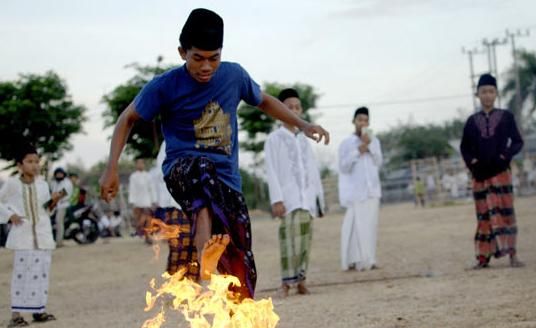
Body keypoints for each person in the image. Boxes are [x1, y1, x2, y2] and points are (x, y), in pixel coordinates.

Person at [98, 8, 329, 300]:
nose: (206, 67)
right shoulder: (165, 86)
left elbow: (265, 101)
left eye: (213, 58)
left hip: (227, 181)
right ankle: (204, 252)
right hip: (182, 171)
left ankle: (240, 320)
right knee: (202, 172)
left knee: (241, 260)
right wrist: (112, 168)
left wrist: (303, 124)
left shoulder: (233, 75)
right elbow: (127, 118)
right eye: (198, 59)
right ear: (183, 52)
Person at [264, 88, 325, 297]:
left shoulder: (304, 139)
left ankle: (301, 281)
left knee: (305, 241)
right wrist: (277, 200)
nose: (294, 111)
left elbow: (313, 172)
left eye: (297, 107)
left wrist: (318, 200)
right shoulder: (274, 139)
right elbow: (271, 171)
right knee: (287, 241)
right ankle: (286, 283)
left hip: (307, 199)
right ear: (279, 111)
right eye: (288, 107)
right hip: (288, 200)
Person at [460, 73, 524, 269]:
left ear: (496, 93)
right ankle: (482, 258)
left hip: (500, 174)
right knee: (484, 217)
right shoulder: (471, 121)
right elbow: (465, 147)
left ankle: (512, 255)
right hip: (480, 176)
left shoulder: (506, 117)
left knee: (506, 213)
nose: (487, 95)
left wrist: (505, 156)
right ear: (477, 95)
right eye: (483, 92)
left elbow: (517, 141)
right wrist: (474, 163)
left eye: (491, 91)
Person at [0, 144, 58, 328]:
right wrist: (10, 215)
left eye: (36, 161)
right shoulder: (12, 184)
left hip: (42, 233)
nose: (34, 165)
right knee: (22, 273)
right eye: (29, 161)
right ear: (20, 165)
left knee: (41, 272)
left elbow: (46, 210)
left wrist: (54, 201)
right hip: (23, 234)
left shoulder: (42, 185)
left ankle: (38, 310)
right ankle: (16, 314)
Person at [338, 106, 383, 271]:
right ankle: (355, 261)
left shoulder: (375, 141)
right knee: (356, 228)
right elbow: (343, 167)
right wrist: (359, 150)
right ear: (354, 122)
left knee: (370, 227)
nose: (362, 123)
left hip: (372, 190)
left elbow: (378, 162)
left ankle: (369, 260)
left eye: (365, 120)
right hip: (356, 192)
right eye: (360, 120)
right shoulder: (347, 143)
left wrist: (369, 146)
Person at [151, 141, 200, 281]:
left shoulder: (201, 136)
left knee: (196, 249)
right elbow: (162, 173)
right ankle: (175, 288)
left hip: (198, 205)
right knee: (179, 249)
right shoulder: (169, 141)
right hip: (176, 205)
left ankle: (193, 289)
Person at [128, 157, 156, 243]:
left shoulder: (148, 175)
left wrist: (153, 200)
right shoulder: (133, 176)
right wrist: (132, 201)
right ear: (136, 165)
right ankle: (144, 235)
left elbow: (152, 188)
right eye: (138, 163)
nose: (140, 165)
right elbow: (132, 189)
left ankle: (148, 237)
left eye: (142, 163)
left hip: (147, 201)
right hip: (137, 202)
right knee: (139, 222)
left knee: (147, 220)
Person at [49, 167, 73, 247]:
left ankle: (59, 242)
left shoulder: (67, 182)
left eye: (60, 174)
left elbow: (62, 194)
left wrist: (54, 198)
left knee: (59, 222)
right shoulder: (54, 183)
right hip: (55, 205)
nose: (59, 175)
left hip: (63, 205)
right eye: (57, 174)